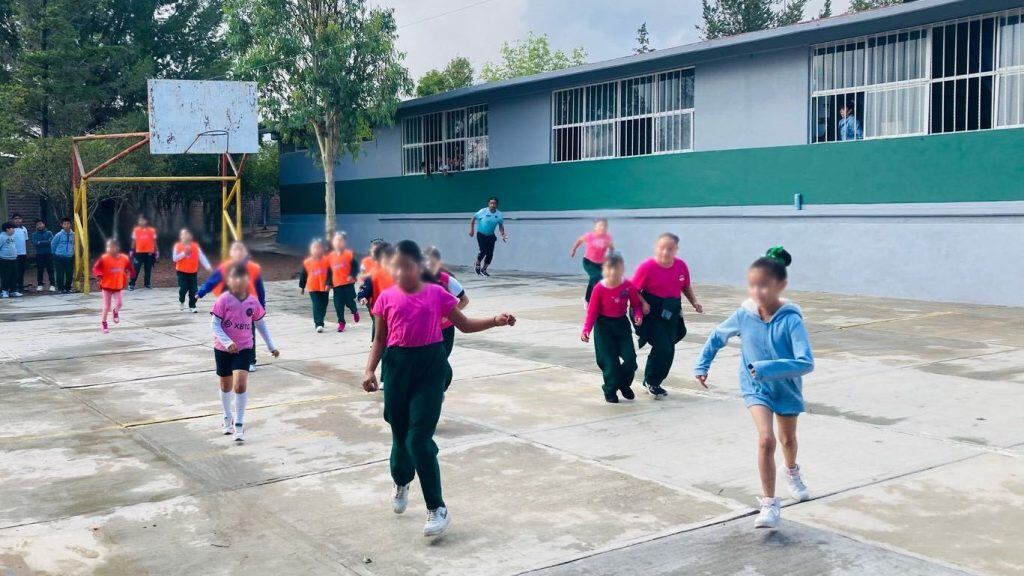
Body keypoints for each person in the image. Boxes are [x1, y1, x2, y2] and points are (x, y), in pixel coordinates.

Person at [362, 240, 516, 538]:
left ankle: (437, 508)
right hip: (397, 367)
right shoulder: (385, 298)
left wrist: (495, 321)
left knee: (419, 439)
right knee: (399, 437)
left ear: (418, 267)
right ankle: (401, 480)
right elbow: (379, 339)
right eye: (395, 267)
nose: (400, 272)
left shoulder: (437, 294)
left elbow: (465, 324)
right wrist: (369, 370)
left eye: (406, 266)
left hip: (430, 367)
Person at [694, 247, 814, 530]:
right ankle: (770, 504)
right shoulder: (744, 314)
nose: (757, 291)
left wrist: (765, 368)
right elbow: (717, 336)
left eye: (765, 285)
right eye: (752, 285)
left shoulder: (791, 319)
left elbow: (805, 362)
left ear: (780, 286)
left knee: (787, 441)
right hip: (754, 387)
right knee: (766, 440)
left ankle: (792, 471)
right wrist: (702, 364)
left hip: (786, 388)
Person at [211, 264, 280, 442]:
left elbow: (260, 324)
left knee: (240, 385)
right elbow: (215, 325)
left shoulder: (252, 301)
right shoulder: (223, 300)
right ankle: (227, 417)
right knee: (226, 386)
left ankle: (239, 423)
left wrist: (271, 346)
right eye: (234, 278)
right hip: (223, 349)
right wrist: (227, 343)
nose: (238, 281)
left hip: (244, 348)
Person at [632, 233, 703, 399]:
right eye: (661, 248)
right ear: (656, 248)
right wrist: (643, 303)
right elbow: (633, 290)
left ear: (676, 250)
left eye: (669, 249)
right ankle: (652, 382)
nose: (665, 252)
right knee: (663, 347)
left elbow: (685, 286)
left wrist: (694, 302)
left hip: (671, 310)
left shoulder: (681, 266)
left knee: (669, 348)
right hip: (652, 311)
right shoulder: (647, 267)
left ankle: (654, 380)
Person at [581, 252, 647, 403]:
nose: (613, 272)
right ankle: (610, 389)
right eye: (609, 269)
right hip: (603, 326)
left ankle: (623, 384)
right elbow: (592, 312)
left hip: (621, 325)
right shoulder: (599, 288)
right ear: (604, 270)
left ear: (622, 269)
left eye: (617, 268)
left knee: (631, 360)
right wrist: (586, 330)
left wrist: (638, 315)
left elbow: (636, 304)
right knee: (610, 363)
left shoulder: (627, 285)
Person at [198, 242, 266, 371]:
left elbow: (260, 289)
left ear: (245, 253)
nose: (238, 253)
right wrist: (201, 292)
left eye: (241, 250)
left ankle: (250, 360)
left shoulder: (254, 268)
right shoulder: (225, 267)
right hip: (230, 305)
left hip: (249, 305)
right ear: (231, 253)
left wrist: (262, 305)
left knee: (249, 334)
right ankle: (228, 355)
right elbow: (212, 281)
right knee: (228, 329)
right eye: (235, 250)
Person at [424, 245, 469, 391]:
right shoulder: (416, 280)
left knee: (441, 360)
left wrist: (450, 315)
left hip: (445, 329)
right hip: (426, 328)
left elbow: (464, 300)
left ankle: (439, 388)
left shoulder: (447, 280)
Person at [92, 239, 134, 334]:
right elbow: (96, 268)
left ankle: (115, 311)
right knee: (107, 306)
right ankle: (104, 323)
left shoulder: (124, 258)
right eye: (108, 247)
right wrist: (99, 274)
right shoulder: (104, 258)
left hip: (117, 286)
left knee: (119, 303)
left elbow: (129, 266)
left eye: (111, 246)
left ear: (117, 248)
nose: (109, 248)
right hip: (106, 286)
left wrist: (132, 273)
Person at [357, 241, 395, 343]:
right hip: (378, 307)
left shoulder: (398, 272)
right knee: (378, 327)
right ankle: (375, 343)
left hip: (395, 309)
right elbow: (366, 287)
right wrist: (362, 297)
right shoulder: (373, 272)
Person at [570, 218, 614, 303]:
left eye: (604, 226)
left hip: (600, 264)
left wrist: (611, 256)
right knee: (597, 277)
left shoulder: (607, 237)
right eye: (600, 225)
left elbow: (611, 248)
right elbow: (579, 240)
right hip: (588, 262)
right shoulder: (589, 236)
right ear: (595, 227)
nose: (602, 227)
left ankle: (590, 299)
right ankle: (589, 300)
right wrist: (573, 250)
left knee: (597, 279)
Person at [172, 229, 212, 313]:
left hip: (193, 272)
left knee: (193, 290)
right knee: (183, 289)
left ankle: (192, 306)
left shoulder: (195, 246)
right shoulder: (178, 246)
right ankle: (181, 300)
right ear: (181, 236)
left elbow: (202, 257)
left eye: (187, 234)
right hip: (181, 272)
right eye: (183, 234)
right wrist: (184, 253)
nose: (185, 236)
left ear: (190, 237)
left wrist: (208, 266)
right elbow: (174, 258)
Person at [328, 232, 359, 332]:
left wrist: (352, 275)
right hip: (337, 285)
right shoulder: (330, 256)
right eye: (336, 240)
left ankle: (354, 310)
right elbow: (328, 271)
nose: (338, 242)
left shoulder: (349, 254)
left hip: (348, 283)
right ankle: (341, 322)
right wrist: (328, 283)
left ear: (344, 242)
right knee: (338, 304)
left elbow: (355, 267)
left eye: (340, 240)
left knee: (349, 301)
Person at [299, 239, 332, 333]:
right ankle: (318, 323)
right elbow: (303, 275)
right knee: (316, 304)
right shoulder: (307, 262)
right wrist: (302, 287)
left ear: (322, 249)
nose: (316, 250)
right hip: (312, 287)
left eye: (318, 248)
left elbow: (330, 274)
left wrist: (329, 283)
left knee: (324, 304)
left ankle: (321, 320)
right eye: (314, 248)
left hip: (324, 287)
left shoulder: (327, 261)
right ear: (311, 250)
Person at [468, 197, 507, 277]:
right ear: (488, 204)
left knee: (490, 254)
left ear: (497, 205)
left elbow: (500, 225)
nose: (492, 205)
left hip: (491, 236)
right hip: (481, 234)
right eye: (491, 203)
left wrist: (503, 234)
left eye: (494, 203)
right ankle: (477, 264)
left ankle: (484, 269)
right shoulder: (483, 211)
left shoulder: (499, 214)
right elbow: (473, 218)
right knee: (483, 251)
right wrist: (472, 230)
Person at [129, 214, 158, 291]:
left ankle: (147, 283)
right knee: (136, 268)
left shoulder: (152, 230)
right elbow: (133, 241)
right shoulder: (136, 230)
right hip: (138, 252)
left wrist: (156, 251)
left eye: (143, 220)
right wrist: (131, 250)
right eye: (140, 220)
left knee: (148, 269)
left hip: (149, 252)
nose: (141, 222)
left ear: (146, 221)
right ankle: (131, 284)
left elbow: (154, 241)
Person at [51, 217, 75, 294]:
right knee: (60, 273)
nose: (66, 225)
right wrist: (54, 254)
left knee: (69, 273)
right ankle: (60, 288)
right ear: (62, 225)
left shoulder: (73, 234)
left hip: (69, 257)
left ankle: (68, 288)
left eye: (68, 223)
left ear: (70, 224)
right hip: (59, 256)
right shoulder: (59, 235)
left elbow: (75, 244)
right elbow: (53, 244)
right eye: (65, 224)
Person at [31, 219, 55, 292]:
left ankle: (52, 285)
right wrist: (45, 242)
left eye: (41, 224)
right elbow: (35, 243)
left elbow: (51, 241)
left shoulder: (49, 232)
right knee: (40, 270)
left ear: (44, 224)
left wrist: (40, 242)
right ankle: (40, 285)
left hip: (49, 253)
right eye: (38, 224)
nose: (39, 226)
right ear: (36, 226)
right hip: (39, 254)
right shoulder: (34, 234)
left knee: (50, 269)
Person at [0, 222, 19, 298]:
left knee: (14, 276)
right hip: (5, 260)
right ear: (7, 229)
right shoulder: (1, 237)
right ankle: (4, 291)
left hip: (13, 259)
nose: (14, 230)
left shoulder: (12, 236)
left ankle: (13, 291)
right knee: (5, 276)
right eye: (12, 228)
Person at [10, 214, 28, 294]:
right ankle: (14, 287)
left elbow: (25, 241)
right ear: (12, 220)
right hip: (14, 254)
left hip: (23, 254)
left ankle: (21, 286)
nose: (17, 220)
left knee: (21, 271)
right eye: (15, 219)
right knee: (14, 271)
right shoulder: (11, 229)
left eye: (19, 218)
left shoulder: (24, 229)